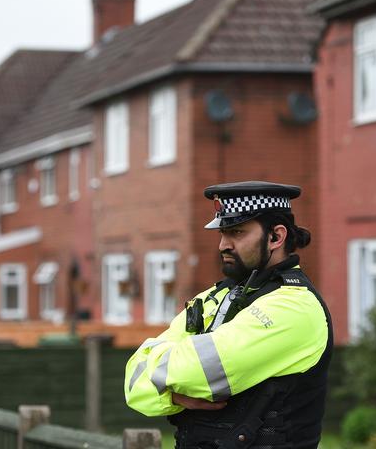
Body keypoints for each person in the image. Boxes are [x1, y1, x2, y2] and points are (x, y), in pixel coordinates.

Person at [124, 181, 333, 448]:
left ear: (276, 237)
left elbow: (193, 371)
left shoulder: (294, 307)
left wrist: (168, 377)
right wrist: (174, 396)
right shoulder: (216, 296)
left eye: (236, 232)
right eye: (222, 233)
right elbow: (133, 382)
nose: (223, 245)